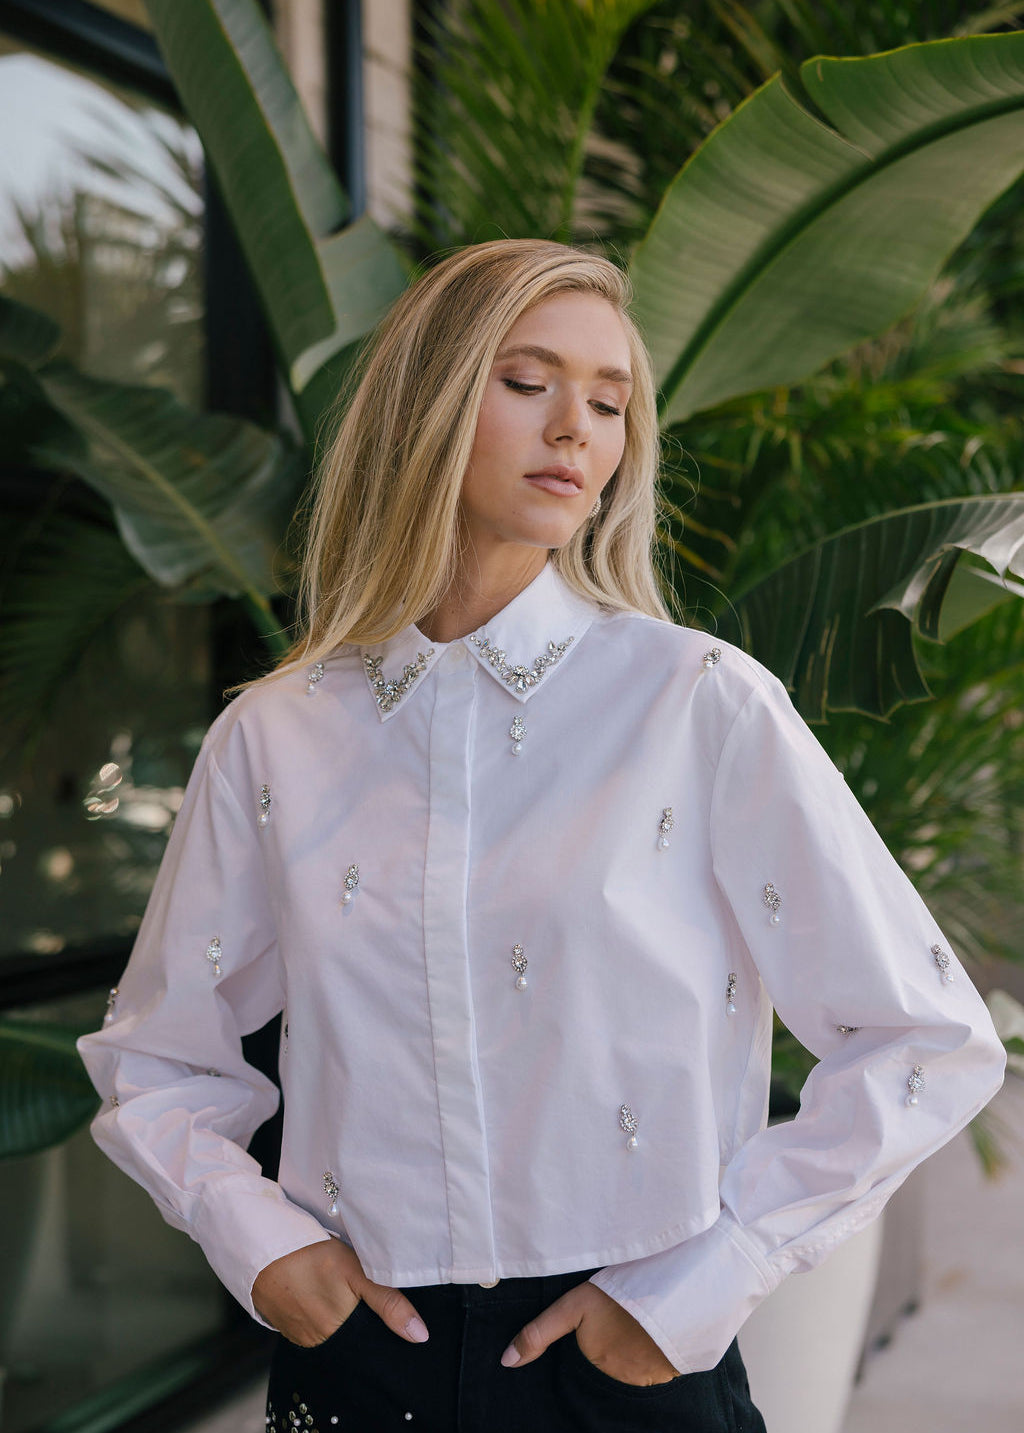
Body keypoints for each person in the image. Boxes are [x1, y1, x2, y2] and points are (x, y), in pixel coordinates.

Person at [78, 239, 1006, 1433]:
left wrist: (697, 1286)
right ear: (428, 404)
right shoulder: (274, 736)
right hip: (359, 1359)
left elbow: (925, 1037)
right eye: (528, 384)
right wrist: (259, 1246)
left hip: (621, 1354)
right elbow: (157, 1055)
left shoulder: (699, 703)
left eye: (610, 401)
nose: (577, 428)